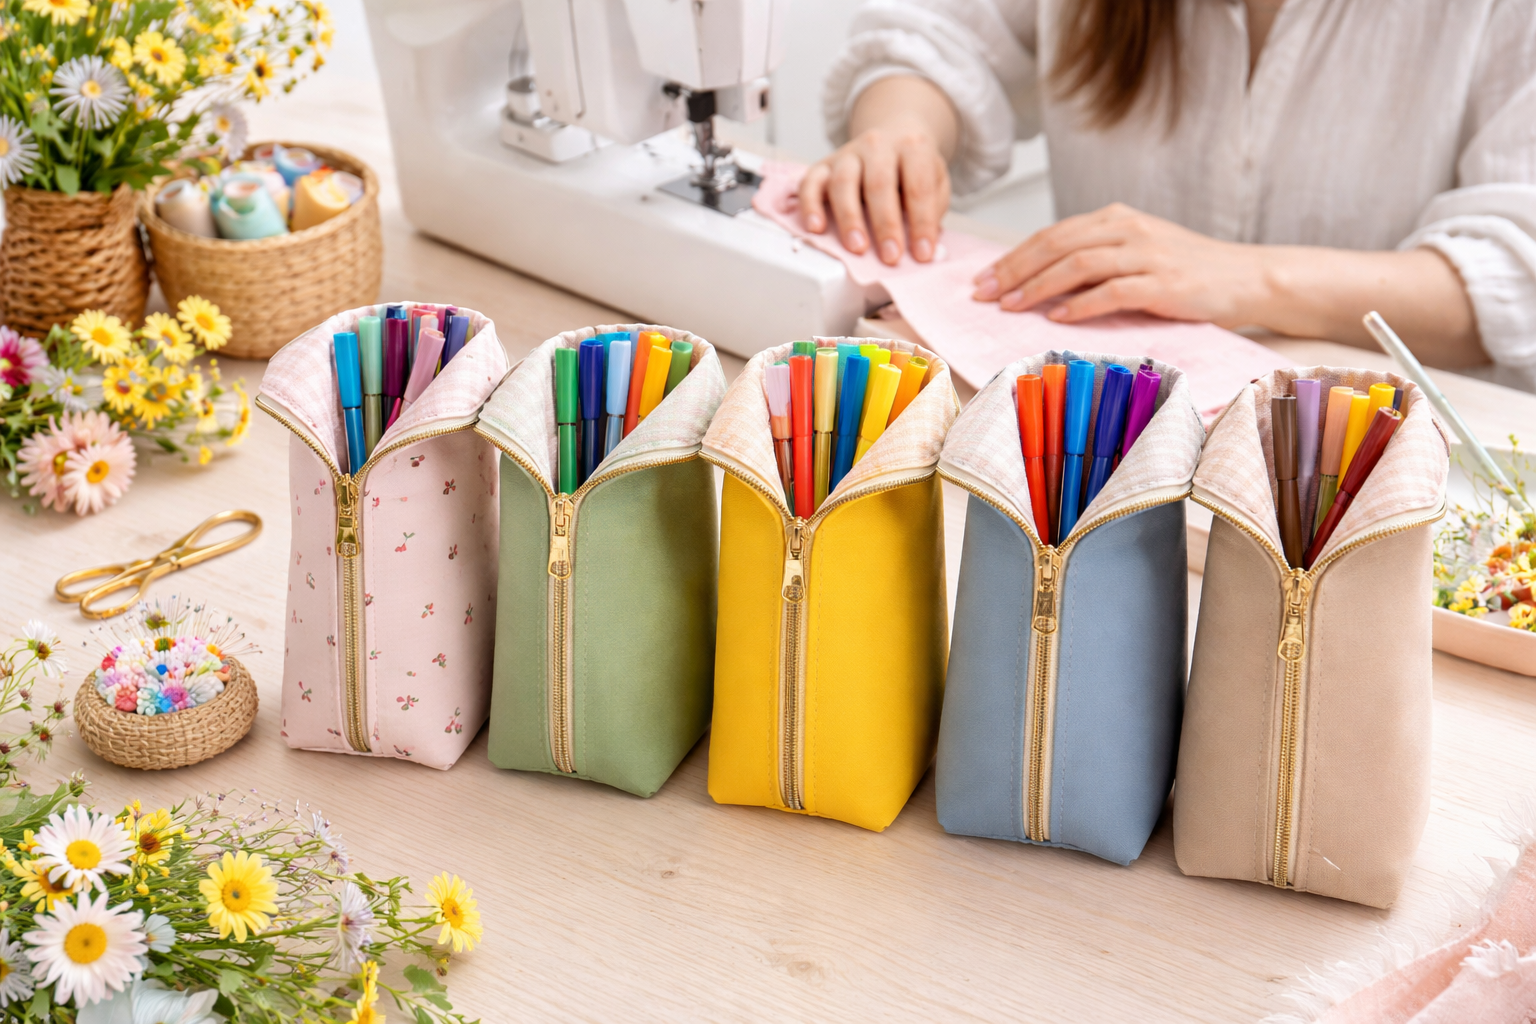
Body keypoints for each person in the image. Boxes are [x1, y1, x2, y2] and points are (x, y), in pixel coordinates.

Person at [800, 0, 1536, 389]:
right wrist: (901, 131)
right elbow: (937, 34)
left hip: (1402, 465)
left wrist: (1248, 277)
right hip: (1115, 427)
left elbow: (1517, 276)